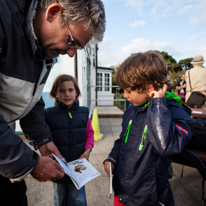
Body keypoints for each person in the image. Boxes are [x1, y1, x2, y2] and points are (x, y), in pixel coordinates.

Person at [0, 0, 105, 205]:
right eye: (72, 41)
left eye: (78, 48)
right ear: (53, 13)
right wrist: (26, 163)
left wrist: (43, 139)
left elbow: (31, 95)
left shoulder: (44, 47)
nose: (71, 53)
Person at [103, 51, 194, 206]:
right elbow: (122, 139)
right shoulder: (132, 109)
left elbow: (165, 146)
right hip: (122, 192)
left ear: (149, 87)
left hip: (149, 197)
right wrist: (112, 157)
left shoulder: (174, 111)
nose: (125, 95)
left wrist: (157, 104)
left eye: (128, 90)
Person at [45, 74, 94, 206]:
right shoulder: (49, 114)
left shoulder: (83, 113)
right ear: (55, 93)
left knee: (79, 199)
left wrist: (88, 150)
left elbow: (90, 134)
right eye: (62, 90)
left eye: (70, 90)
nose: (67, 94)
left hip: (78, 165)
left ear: (76, 92)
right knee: (60, 199)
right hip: (59, 166)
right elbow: (45, 138)